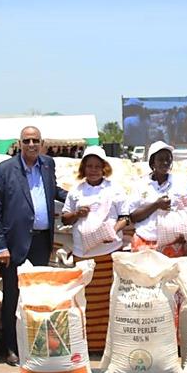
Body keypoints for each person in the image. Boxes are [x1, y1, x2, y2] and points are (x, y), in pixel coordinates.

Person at [0, 126, 67, 366]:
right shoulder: (5, 170)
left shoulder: (47, 164)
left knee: (37, 294)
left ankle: (35, 343)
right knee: (13, 295)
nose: (31, 144)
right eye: (27, 140)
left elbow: (54, 190)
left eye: (36, 140)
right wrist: (0, 246)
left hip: (41, 241)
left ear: (42, 143)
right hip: (15, 244)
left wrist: (78, 197)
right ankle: (11, 347)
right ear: (19, 144)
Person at [61, 145, 130, 351]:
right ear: (84, 168)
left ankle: (107, 345)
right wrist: (76, 214)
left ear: (104, 168)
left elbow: (125, 217)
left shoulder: (114, 189)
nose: (93, 170)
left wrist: (112, 232)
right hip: (84, 254)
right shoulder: (76, 191)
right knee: (85, 300)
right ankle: (87, 344)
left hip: (108, 253)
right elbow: (65, 217)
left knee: (107, 299)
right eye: (89, 166)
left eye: (97, 166)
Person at [128, 141, 187, 257]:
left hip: (172, 243)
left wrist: (185, 234)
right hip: (144, 241)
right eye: (161, 159)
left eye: (168, 159)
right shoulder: (140, 185)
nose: (165, 163)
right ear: (153, 162)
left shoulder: (179, 183)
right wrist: (155, 205)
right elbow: (133, 217)